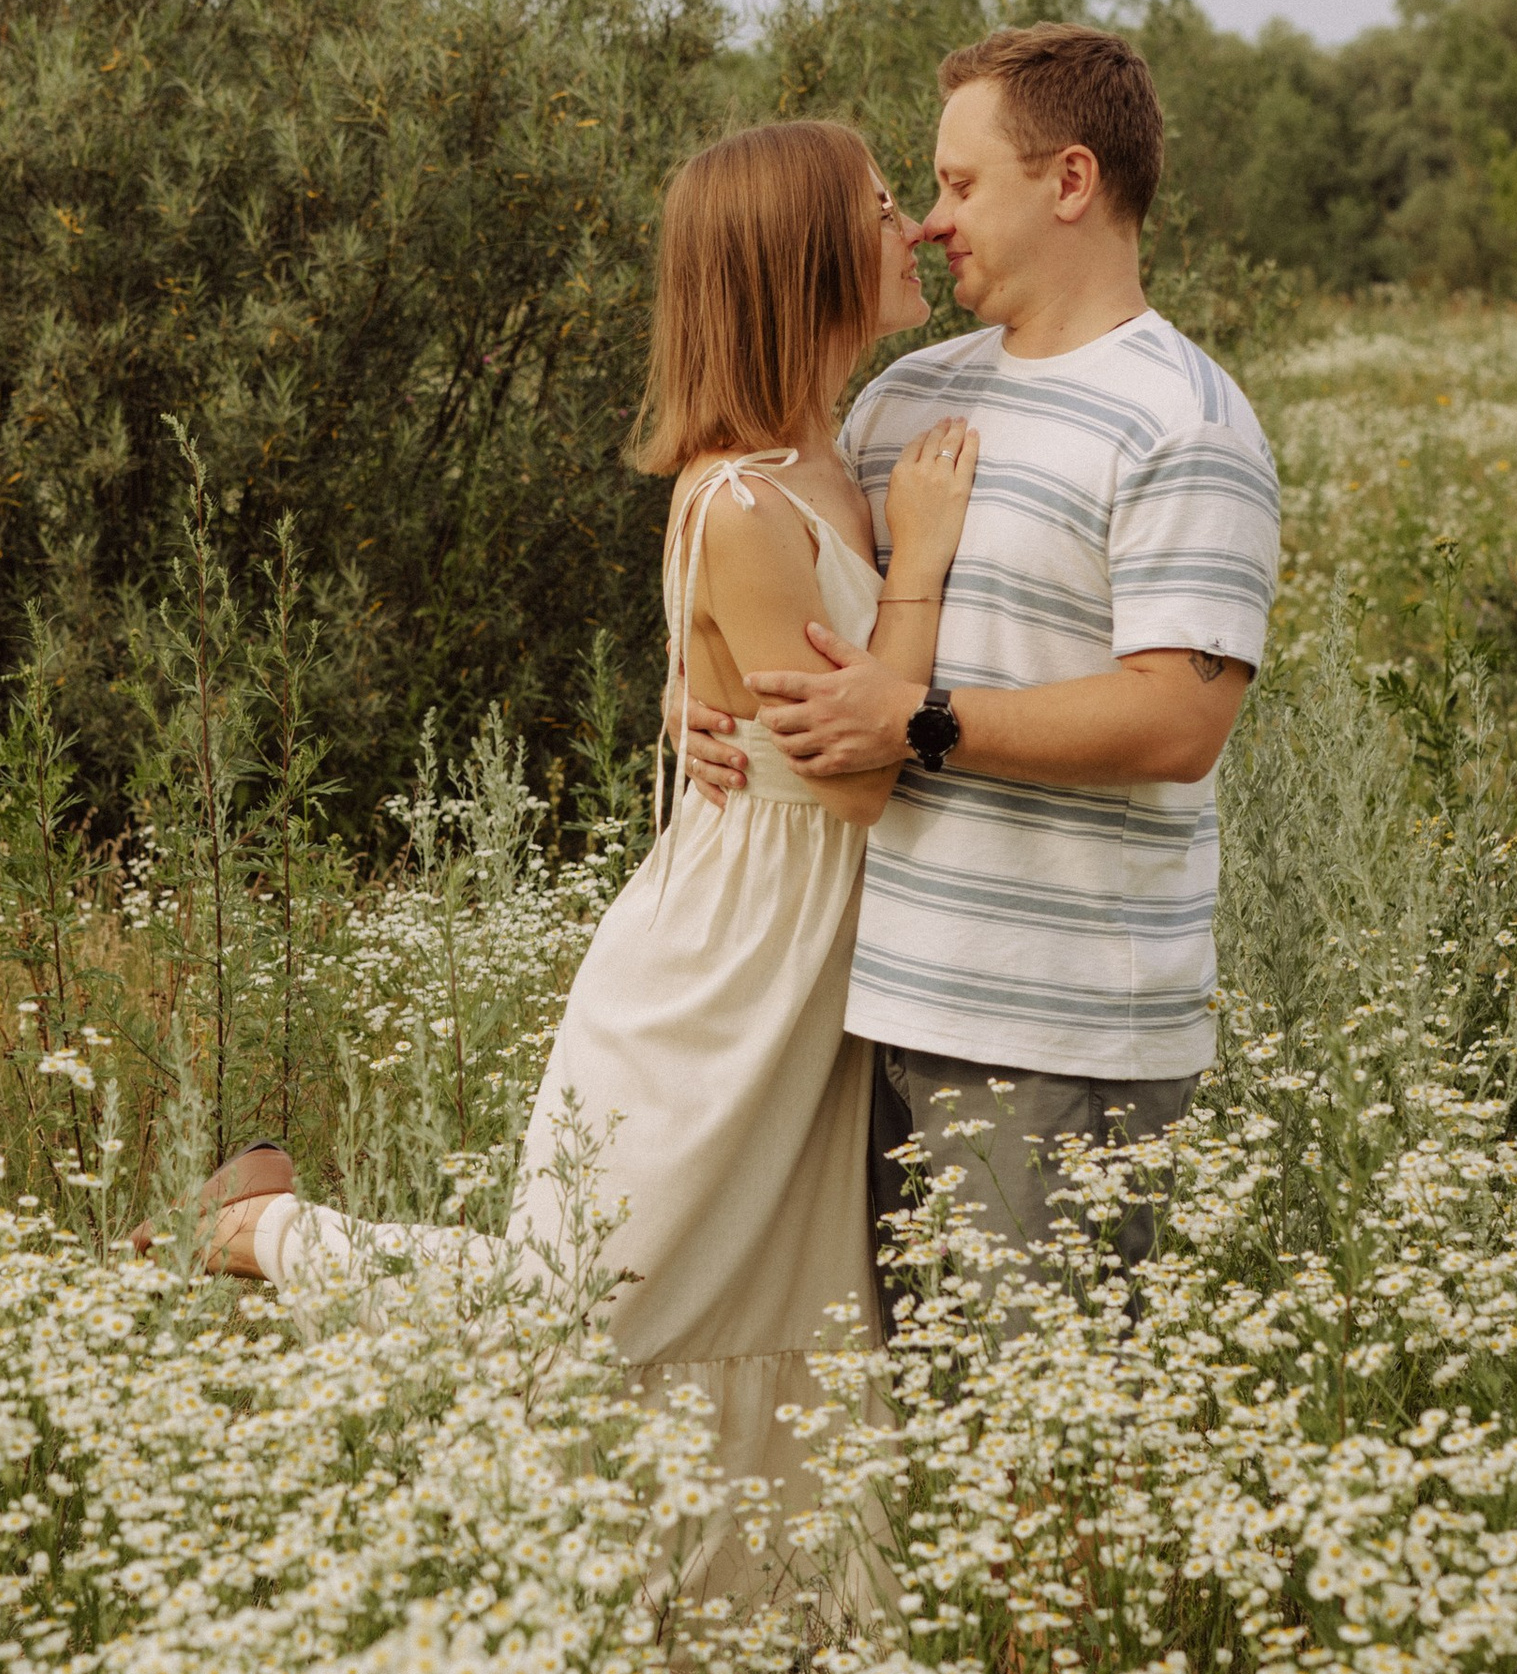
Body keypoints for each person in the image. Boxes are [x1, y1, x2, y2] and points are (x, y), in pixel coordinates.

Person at [168, 118, 981, 1591]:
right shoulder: (743, 498)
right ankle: (264, 1231)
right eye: (881, 206)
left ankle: (761, 1664)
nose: (914, 228)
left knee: (789, 1295)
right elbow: (857, 786)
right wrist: (918, 562)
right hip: (725, 967)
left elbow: (763, 686)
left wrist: (702, 682)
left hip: (811, 968)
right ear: (804, 254)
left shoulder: (838, 459)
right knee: (587, 1305)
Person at [685, 23, 1279, 1312]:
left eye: (959, 186)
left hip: (1065, 1038)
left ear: (1070, 182)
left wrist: (924, 723)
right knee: (905, 1444)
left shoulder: (1188, 421)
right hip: (874, 1010)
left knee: (1048, 1455)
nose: (933, 222)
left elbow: (1180, 722)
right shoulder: (899, 404)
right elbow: (803, 608)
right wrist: (710, 701)